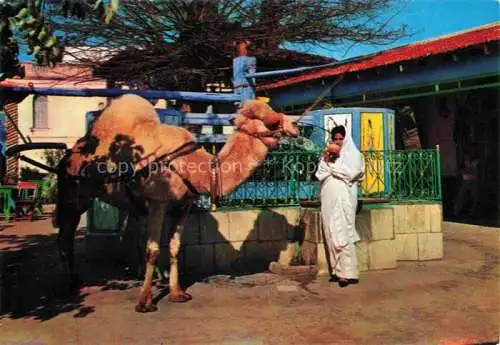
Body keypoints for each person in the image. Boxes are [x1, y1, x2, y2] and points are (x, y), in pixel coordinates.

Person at [315, 125, 365, 287]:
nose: (338, 142)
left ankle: (348, 273)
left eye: (340, 139)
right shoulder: (327, 156)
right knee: (331, 232)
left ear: (346, 139)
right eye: (335, 139)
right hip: (328, 197)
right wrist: (328, 161)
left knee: (343, 233)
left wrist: (333, 166)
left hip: (344, 199)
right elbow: (320, 173)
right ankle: (336, 271)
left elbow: (351, 174)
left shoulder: (354, 156)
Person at [453, 146, 480, 217]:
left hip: (473, 180)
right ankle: (457, 211)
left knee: (474, 197)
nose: (472, 152)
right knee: (461, 195)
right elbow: (461, 169)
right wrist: (465, 173)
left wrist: (469, 170)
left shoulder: (476, 159)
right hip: (466, 179)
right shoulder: (466, 159)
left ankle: (473, 212)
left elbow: (476, 171)